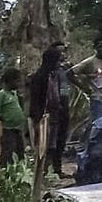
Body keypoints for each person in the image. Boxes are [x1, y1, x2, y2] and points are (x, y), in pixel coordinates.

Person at [29, 43, 72, 176]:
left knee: (59, 142)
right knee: (46, 144)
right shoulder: (41, 76)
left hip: (60, 112)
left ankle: (56, 170)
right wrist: (38, 116)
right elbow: (36, 98)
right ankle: (44, 171)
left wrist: (64, 108)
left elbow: (64, 92)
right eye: (57, 59)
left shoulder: (60, 73)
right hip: (46, 114)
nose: (59, 62)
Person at [71, 35, 102, 123]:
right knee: (98, 126)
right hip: (98, 100)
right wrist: (84, 88)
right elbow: (69, 74)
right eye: (100, 46)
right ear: (95, 48)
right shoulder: (90, 62)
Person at [0, 67, 26, 168]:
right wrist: (4, 119)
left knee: (20, 152)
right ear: (9, 81)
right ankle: (4, 175)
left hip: (17, 129)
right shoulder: (2, 94)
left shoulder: (14, 94)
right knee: (7, 153)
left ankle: (18, 175)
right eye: (17, 81)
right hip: (8, 130)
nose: (19, 84)